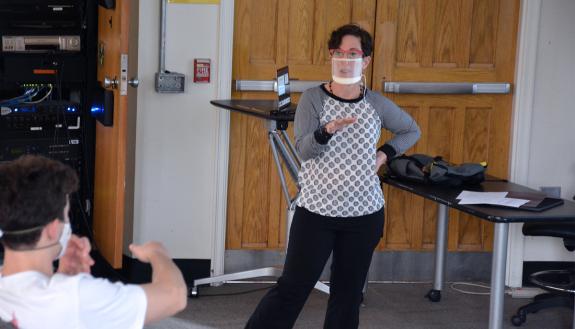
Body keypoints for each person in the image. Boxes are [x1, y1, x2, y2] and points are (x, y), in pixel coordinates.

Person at [245, 24, 421, 329]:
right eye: (339, 52)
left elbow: (410, 130)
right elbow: (305, 151)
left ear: (365, 60)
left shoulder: (376, 103)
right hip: (316, 213)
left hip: (364, 215)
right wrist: (327, 131)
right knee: (292, 288)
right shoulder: (314, 99)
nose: (345, 58)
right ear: (331, 56)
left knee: (348, 295)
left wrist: (384, 155)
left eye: (353, 53)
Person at [0, 155, 187, 329]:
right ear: (53, 229)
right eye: (66, 215)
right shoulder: (75, 297)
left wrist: (63, 276)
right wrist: (157, 253)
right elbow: (174, 296)